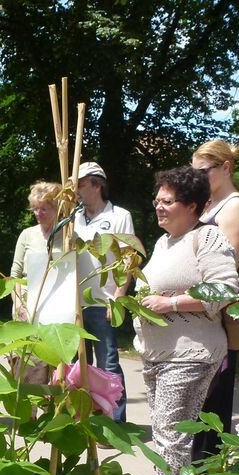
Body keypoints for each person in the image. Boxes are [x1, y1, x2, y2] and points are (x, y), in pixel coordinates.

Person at [133, 166, 238, 475]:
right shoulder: (164, 243)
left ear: (192, 206)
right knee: (163, 427)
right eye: (157, 200)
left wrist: (171, 303)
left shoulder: (208, 239)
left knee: (171, 427)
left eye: (167, 201)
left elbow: (225, 289)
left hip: (191, 351)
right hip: (157, 351)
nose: (158, 207)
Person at [190, 140, 239, 460]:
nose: (197, 178)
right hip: (196, 316)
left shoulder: (234, 206)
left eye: (203, 172)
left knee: (211, 406)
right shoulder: (209, 204)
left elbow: (223, 267)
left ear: (225, 168)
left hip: (214, 317)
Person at [74, 161, 136, 422]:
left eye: (80, 184)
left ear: (97, 185)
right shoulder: (72, 217)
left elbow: (129, 257)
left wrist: (120, 295)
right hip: (75, 302)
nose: (75, 191)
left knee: (107, 363)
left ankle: (115, 422)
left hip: (104, 301)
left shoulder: (119, 216)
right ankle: (83, 418)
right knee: (78, 365)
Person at [10, 181, 64, 384]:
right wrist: (18, 305)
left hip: (56, 310)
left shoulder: (67, 237)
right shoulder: (27, 235)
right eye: (35, 209)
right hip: (26, 308)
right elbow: (14, 274)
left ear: (56, 208)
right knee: (26, 367)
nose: (38, 213)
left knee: (52, 370)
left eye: (44, 209)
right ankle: (27, 415)